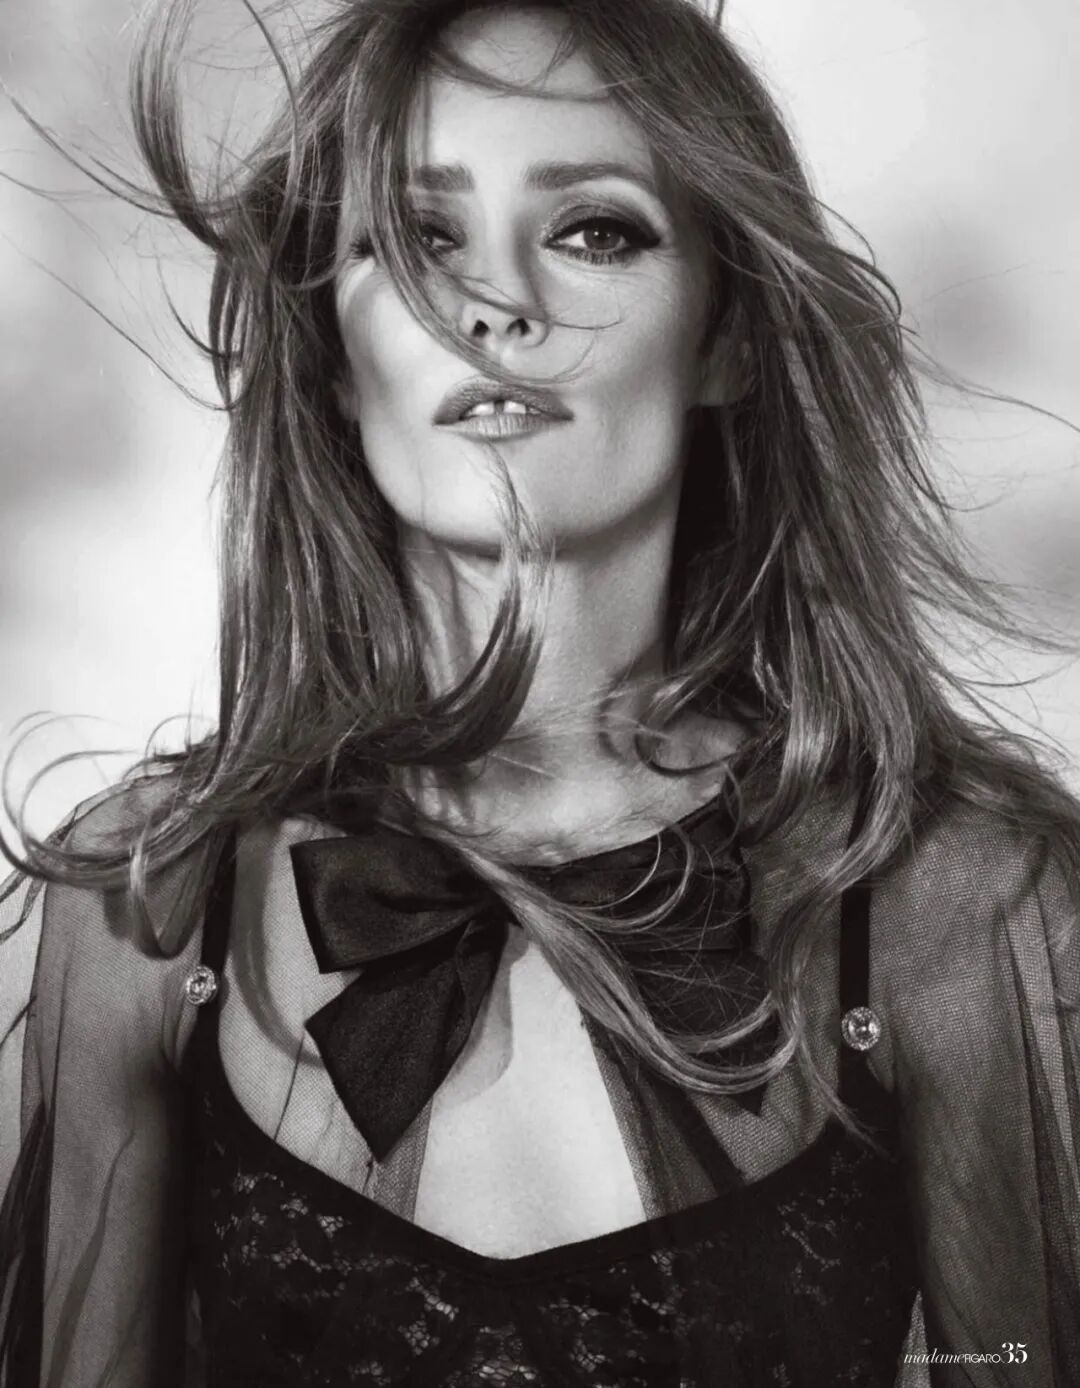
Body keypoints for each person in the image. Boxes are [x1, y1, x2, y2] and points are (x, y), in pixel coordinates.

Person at [1, 0, 1078, 1383]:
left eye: (594, 231)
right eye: (419, 236)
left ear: (728, 338)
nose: (492, 305)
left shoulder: (955, 900)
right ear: (332, 353)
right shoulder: (150, 905)